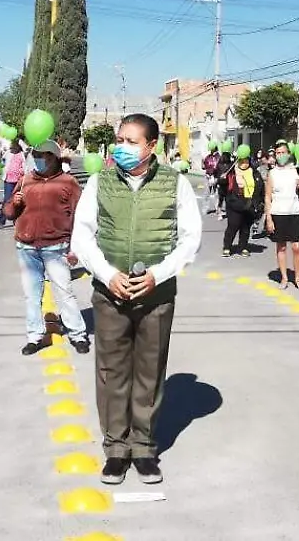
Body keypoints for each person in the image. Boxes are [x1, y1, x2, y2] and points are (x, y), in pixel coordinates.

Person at [71, 113, 202, 487]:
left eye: (131, 141)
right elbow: (83, 235)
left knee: (149, 371)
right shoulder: (100, 183)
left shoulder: (175, 184)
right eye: (120, 140)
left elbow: (190, 238)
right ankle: (116, 449)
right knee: (112, 372)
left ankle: (143, 447)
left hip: (155, 295)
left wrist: (156, 276)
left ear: (151, 146)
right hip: (109, 292)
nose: (122, 148)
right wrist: (107, 274)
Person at [4, 140, 90, 355]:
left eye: (44, 156)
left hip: (56, 247)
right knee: (32, 295)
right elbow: (8, 213)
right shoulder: (25, 181)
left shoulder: (68, 183)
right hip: (27, 247)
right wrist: (14, 202)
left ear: (54, 158)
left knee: (64, 292)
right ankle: (34, 337)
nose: (40, 159)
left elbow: (80, 217)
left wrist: (75, 248)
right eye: (37, 155)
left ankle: (78, 334)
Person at [265, 141, 299, 290]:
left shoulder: (296, 170)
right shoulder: (272, 173)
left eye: (283, 152)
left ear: (289, 154)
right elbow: (267, 197)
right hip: (278, 213)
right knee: (281, 247)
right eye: (278, 153)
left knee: (297, 247)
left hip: (294, 213)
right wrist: (269, 219)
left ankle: (297, 278)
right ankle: (284, 278)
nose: (281, 155)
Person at [221, 152, 263, 257]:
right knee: (233, 225)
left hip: (250, 203)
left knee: (245, 227)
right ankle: (227, 247)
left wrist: (260, 202)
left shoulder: (254, 172)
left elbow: (260, 186)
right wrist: (222, 179)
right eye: (241, 161)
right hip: (235, 202)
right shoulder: (232, 172)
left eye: (246, 161)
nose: (244, 163)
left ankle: (242, 247)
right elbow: (223, 185)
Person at [0, 140, 26, 228]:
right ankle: (1, 221)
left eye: (14, 147)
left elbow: (24, 166)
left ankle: (16, 220)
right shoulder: (7, 153)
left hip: (18, 180)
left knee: (18, 200)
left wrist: (20, 171)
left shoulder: (21, 154)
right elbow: (2, 162)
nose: (12, 149)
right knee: (7, 199)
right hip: (8, 180)